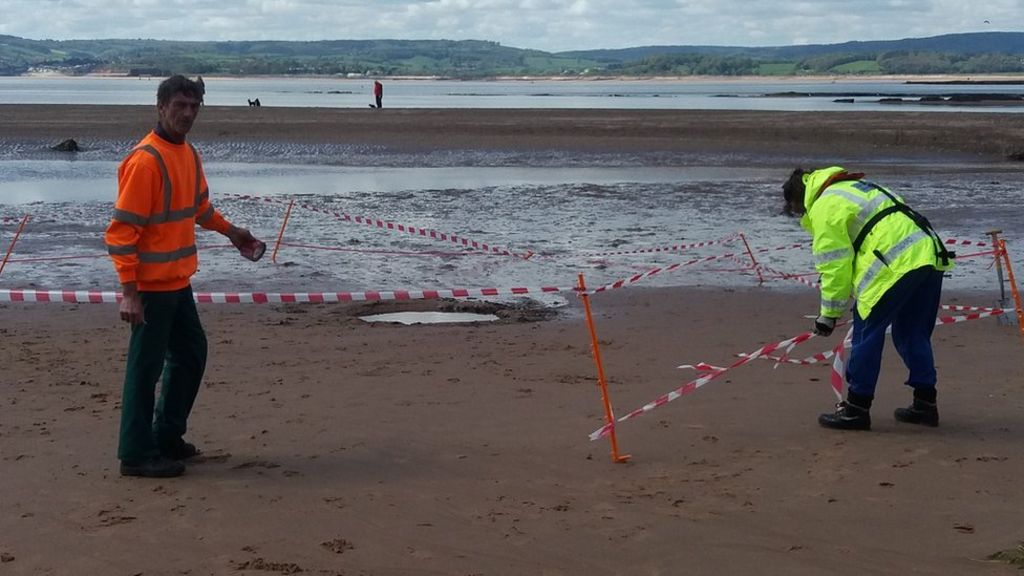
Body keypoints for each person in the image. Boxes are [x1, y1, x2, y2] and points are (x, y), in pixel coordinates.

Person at [105, 75, 262, 477]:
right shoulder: (146, 161)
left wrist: (233, 233)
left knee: (191, 355)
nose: (187, 114)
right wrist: (129, 293)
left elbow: (200, 208)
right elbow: (121, 233)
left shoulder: (189, 154)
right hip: (150, 290)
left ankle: (166, 437)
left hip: (178, 283)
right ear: (161, 107)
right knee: (145, 369)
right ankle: (136, 454)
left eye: (194, 107)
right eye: (180, 105)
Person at [781, 166, 955, 431]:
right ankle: (925, 404)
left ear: (799, 199)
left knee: (866, 336)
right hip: (929, 255)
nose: (801, 215)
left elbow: (834, 266)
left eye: (797, 211)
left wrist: (828, 316)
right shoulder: (856, 188)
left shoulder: (824, 206)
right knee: (913, 334)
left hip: (894, 266)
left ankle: (856, 409)